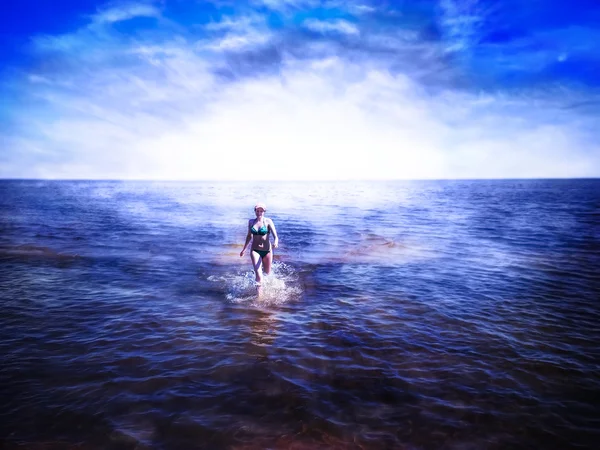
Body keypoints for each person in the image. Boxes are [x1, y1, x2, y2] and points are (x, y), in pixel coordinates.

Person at [240, 203, 279, 286]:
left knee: (267, 274)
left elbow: (275, 236)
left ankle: (268, 291)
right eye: (257, 211)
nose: (259, 213)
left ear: (264, 212)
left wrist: (275, 242)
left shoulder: (268, 221)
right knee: (259, 276)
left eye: (261, 211)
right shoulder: (251, 222)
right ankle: (259, 297)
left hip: (267, 251)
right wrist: (244, 249)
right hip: (255, 250)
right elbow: (249, 236)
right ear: (255, 211)